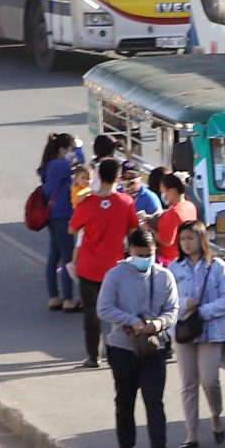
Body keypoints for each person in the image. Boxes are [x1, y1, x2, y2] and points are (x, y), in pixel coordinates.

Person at [99, 227, 181, 448]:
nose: (145, 258)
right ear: (130, 250)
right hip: (123, 348)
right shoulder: (115, 275)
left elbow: (173, 309)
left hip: (154, 348)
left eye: (150, 253)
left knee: (154, 400)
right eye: (141, 253)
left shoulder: (164, 276)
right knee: (124, 401)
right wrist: (130, 321)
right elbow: (104, 308)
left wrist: (157, 324)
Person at [167, 223, 225, 448]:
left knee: (209, 380)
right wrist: (185, 304)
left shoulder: (217, 266)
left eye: (191, 238)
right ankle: (191, 432)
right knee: (188, 383)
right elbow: (165, 303)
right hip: (183, 331)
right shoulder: (174, 269)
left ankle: (216, 414)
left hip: (211, 330)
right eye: (183, 238)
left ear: (202, 239)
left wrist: (204, 311)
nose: (186, 243)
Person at [70, 157, 141, 369]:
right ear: (118, 177)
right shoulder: (126, 202)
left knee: (91, 314)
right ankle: (117, 353)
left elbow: (72, 228)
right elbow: (133, 229)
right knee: (118, 311)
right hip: (116, 266)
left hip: (89, 266)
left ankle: (93, 356)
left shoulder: (87, 203)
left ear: (98, 176)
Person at [39, 131, 84, 313]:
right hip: (63, 214)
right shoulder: (59, 165)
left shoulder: (50, 165)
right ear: (63, 149)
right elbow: (81, 166)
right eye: (70, 149)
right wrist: (79, 148)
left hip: (54, 215)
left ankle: (54, 297)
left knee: (54, 256)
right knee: (67, 257)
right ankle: (68, 299)